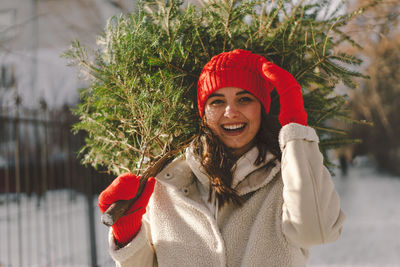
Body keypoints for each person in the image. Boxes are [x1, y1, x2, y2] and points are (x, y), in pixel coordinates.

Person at [98, 49, 345, 267]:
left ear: (261, 107)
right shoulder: (165, 184)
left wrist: (295, 127)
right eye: (217, 101)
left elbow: (316, 232)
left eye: (244, 99)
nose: (231, 112)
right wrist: (127, 233)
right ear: (203, 113)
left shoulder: (286, 178)